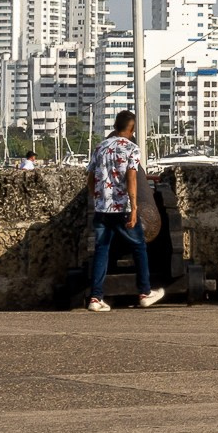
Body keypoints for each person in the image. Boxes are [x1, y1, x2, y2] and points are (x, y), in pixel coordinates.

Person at [86, 110, 163, 311]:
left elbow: (90, 178)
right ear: (132, 129)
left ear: (115, 127)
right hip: (123, 208)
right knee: (139, 246)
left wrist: (97, 198)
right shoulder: (132, 149)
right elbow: (131, 178)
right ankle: (145, 292)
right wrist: (135, 207)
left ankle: (95, 298)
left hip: (103, 208)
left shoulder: (100, 147)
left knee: (101, 250)